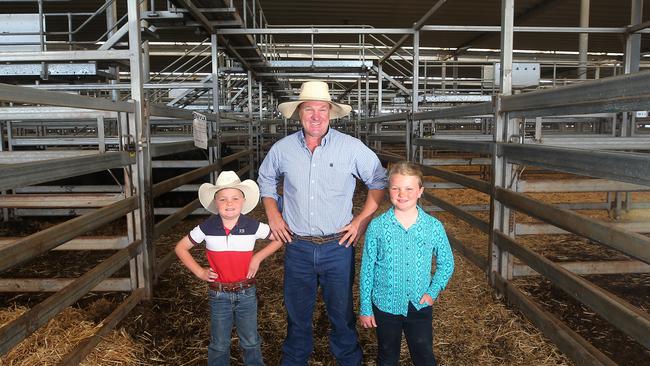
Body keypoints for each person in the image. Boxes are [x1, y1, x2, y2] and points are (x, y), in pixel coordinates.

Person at [257, 80, 387, 365]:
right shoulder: (282, 149)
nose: (316, 116)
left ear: (330, 113)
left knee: (341, 313)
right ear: (299, 113)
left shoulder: (351, 148)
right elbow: (265, 179)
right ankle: (295, 359)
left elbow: (378, 180)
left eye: (322, 109)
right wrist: (273, 213)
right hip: (297, 245)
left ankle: (348, 359)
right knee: (297, 312)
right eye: (309, 109)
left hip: (337, 245)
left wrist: (361, 221)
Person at [175, 170, 283, 366]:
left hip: (246, 292)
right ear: (215, 203)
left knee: (250, 341)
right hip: (219, 294)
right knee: (219, 343)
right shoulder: (206, 228)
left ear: (243, 201)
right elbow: (181, 247)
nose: (229, 203)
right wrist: (200, 271)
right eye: (223, 199)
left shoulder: (252, 225)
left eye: (235, 198)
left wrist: (257, 257)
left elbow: (278, 239)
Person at [359, 161, 454, 366]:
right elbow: (367, 268)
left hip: (419, 304)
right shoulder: (377, 226)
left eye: (409, 188)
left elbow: (447, 263)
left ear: (420, 191)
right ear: (389, 190)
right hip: (384, 304)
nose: (402, 194)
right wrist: (366, 307)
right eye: (396, 188)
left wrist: (433, 292)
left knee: (424, 355)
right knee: (386, 356)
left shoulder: (433, 226)